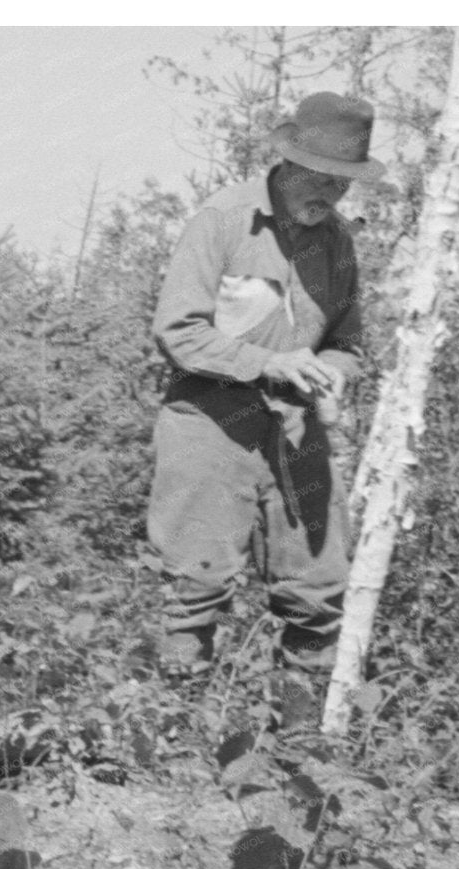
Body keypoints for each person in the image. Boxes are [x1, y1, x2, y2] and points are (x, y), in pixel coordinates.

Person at [146, 91, 386, 680]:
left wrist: (332, 372)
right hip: (210, 422)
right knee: (193, 587)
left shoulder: (337, 243)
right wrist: (269, 363)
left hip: (298, 430)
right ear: (288, 162)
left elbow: (348, 342)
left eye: (341, 183)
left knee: (319, 593)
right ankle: (172, 728)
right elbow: (178, 331)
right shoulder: (224, 220)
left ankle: (301, 733)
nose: (329, 193)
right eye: (319, 178)